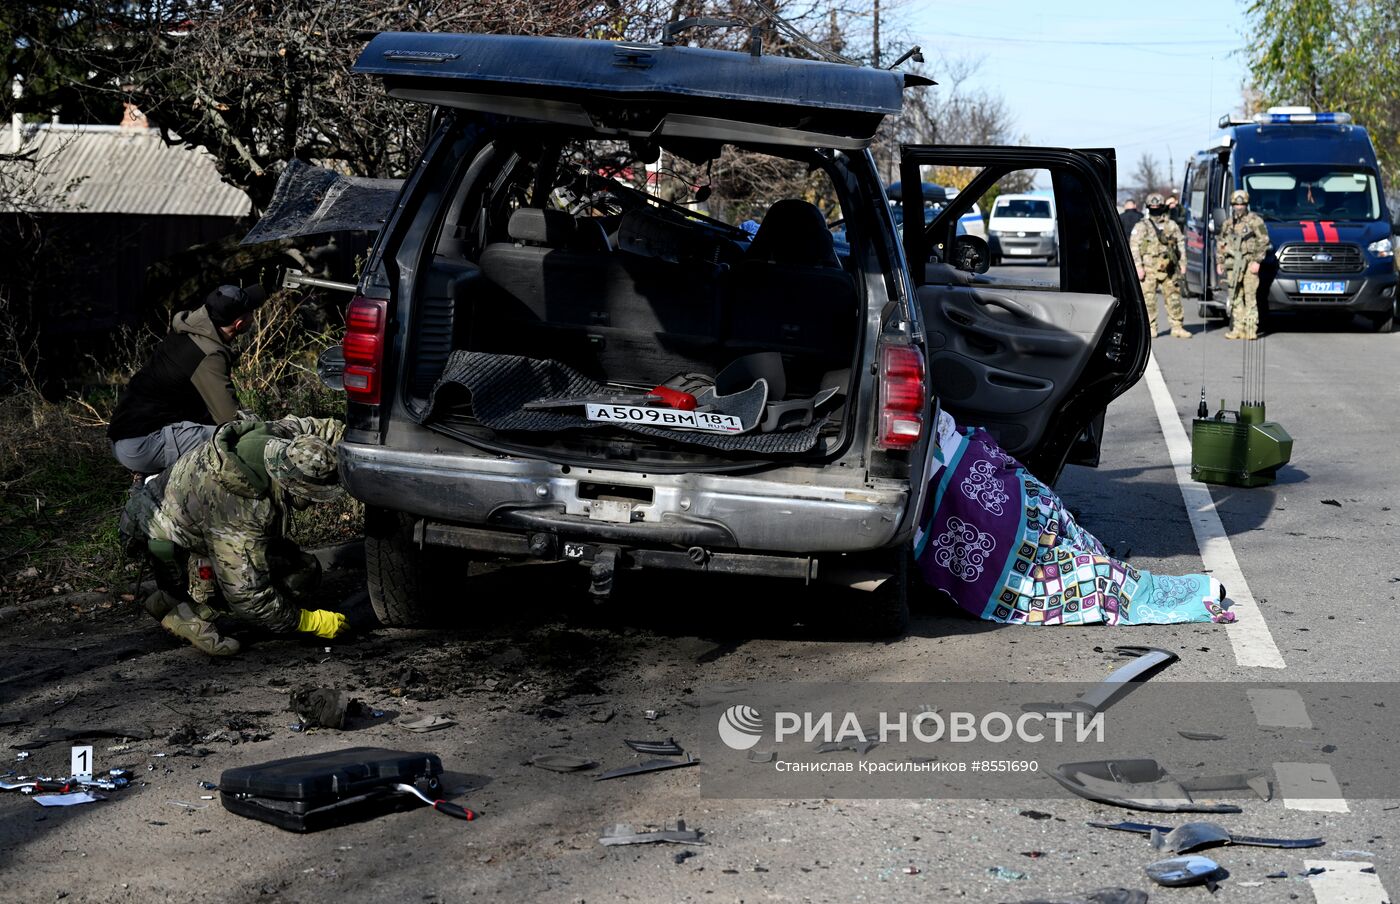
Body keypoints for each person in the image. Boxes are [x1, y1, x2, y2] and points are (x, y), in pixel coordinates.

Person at [912, 410, 1232, 626]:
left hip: (981, 494)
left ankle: (1160, 588)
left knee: (1061, 559)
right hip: (986, 497)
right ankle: (1172, 590)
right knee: (1064, 566)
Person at [120, 415, 351, 656]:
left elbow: (324, 428)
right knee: (279, 583)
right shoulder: (238, 513)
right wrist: (308, 622)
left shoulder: (282, 441)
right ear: (290, 485)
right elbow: (248, 596)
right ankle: (185, 611)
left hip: (182, 514)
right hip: (158, 535)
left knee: (303, 570)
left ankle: (174, 597)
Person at [107, 283, 267, 475]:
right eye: (251, 313)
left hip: (124, 435)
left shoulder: (192, 326)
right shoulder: (208, 354)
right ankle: (155, 484)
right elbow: (229, 420)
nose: (254, 316)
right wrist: (269, 430)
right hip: (141, 445)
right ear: (239, 324)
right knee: (240, 440)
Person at [1129, 193, 1190, 338]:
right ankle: (1150, 328)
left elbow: (1180, 244)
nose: (1155, 210)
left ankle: (1177, 326)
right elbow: (1134, 247)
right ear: (1149, 208)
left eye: (1158, 207)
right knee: (1148, 300)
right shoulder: (1141, 226)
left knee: (1174, 298)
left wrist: (1183, 263)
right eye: (1152, 207)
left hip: (1169, 269)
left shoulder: (1171, 225)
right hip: (1149, 269)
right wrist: (1138, 267)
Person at [1215, 189, 1271, 340]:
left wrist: (1257, 261)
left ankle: (1251, 328)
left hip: (1249, 263)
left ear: (1246, 204)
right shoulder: (1228, 224)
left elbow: (1264, 241)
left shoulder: (1255, 221)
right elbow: (1221, 243)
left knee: (1250, 296)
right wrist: (1220, 262)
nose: (1239, 207)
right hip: (1233, 265)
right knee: (1235, 296)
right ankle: (1238, 328)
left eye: (1242, 204)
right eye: (1236, 204)